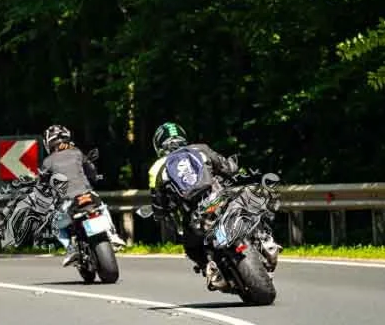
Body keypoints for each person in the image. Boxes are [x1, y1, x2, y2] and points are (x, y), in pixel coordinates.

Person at [147, 122, 238, 289]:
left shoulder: (156, 168)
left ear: (158, 145)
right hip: (219, 199)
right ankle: (264, 239)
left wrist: (162, 213)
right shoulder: (200, 149)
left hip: (195, 215)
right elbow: (228, 167)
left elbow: (158, 202)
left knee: (191, 248)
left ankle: (210, 268)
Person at [40, 125, 126, 266]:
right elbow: (91, 170)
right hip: (87, 195)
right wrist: (95, 177)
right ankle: (112, 234)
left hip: (68, 202)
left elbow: (42, 185)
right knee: (102, 207)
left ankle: (70, 248)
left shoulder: (47, 162)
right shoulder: (77, 152)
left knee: (55, 225)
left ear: (48, 143)